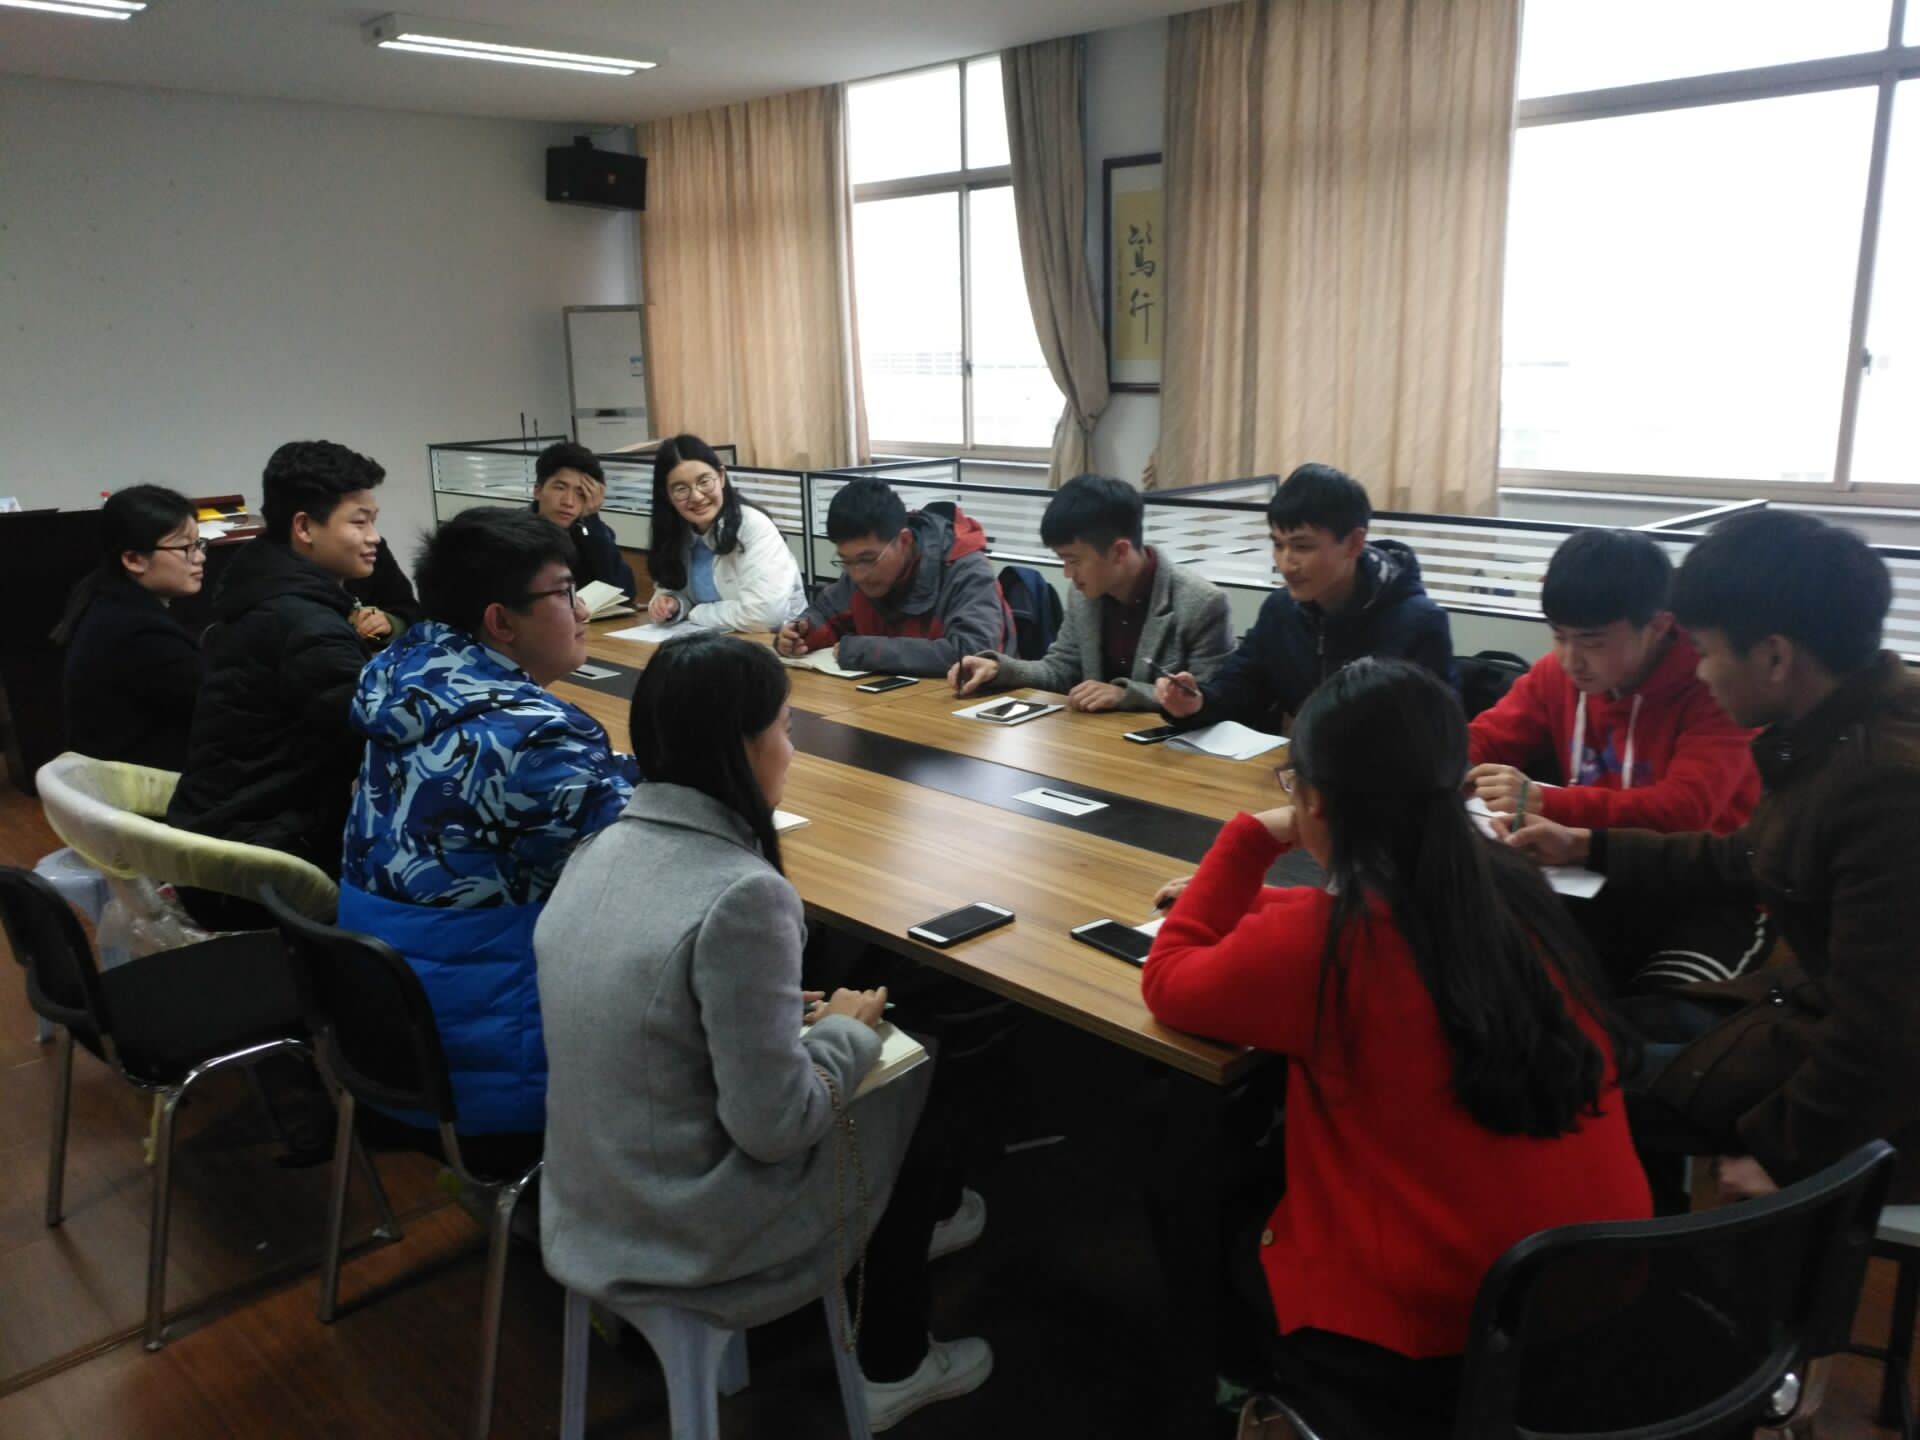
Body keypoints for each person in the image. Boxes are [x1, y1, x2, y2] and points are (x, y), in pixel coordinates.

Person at [1144, 658, 1649, 1435]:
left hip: (1434, 1340)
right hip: (1600, 1290)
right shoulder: (1510, 887)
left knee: (1188, 1173)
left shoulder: (1321, 948)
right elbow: (1395, 923)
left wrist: (1250, 838)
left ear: (1314, 798)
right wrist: (1270, 905)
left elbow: (1170, 978)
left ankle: (1249, 1386)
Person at [535, 632, 993, 1428]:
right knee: (913, 1060)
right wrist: (845, 1033)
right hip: (696, 1229)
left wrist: (776, 1012)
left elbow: (664, 1016)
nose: (793, 747)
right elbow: (777, 1126)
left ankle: (909, 1246)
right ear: (740, 747)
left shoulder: (599, 848)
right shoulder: (743, 893)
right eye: (784, 727)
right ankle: (894, 1358)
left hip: (587, 1196)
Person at [1505, 511, 1920, 1206]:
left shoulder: (1887, 785)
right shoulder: (1839, 727)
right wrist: (1587, 844)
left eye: (1703, 650)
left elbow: (1889, 1029)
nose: (1697, 670)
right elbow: (1748, 853)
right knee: (1583, 1033)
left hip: (1874, 1094)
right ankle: (1643, 1234)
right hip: (1814, 1016)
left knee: (1560, 1075)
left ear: (1776, 657)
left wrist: (1785, 1153)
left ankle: (1644, 1250)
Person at [338, 509, 640, 1138]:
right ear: (501, 622)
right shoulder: (533, 736)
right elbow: (644, 863)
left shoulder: (400, 678)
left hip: (387, 1034)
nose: (583, 610)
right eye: (565, 593)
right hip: (497, 1061)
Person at [166, 440, 384, 894]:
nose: (374, 537)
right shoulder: (303, 624)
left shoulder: (264, 589)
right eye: (359, 522)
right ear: (304, 527)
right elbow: (378, 729)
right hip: (258, 863)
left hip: (226, 833)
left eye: (373, 521)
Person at [1466, 528, 1758, 833]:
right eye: (1559, 636)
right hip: (1588, 851)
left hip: (1693, 858)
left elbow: (1684, 810)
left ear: (1658, 627)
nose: (1571, 660)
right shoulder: (1556, 673)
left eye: (1592, 642)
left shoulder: (1717, 688)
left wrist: (1547, 802)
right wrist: (1449, 769)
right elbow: (1487, 739)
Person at [1154, 463, 1455, 734]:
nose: (1286, 563)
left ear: (1354, 543)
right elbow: (1241, 687)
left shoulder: (1419, 624)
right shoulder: (1281, 609)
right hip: (1300, 769)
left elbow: (1437, 736)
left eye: (1302, 547)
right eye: (1278, 545)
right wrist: (1197, 702)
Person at [947, 473, 1232, 712]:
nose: (1068, 574)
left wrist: (1126, 695)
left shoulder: (1201, 604)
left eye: (1074, 560)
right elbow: (1061, 670)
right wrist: (1000, 669)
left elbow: (1208, 698)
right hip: (1094, 743)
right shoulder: (1084, 595)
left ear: (1119, 551)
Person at [776, 477, 1015, 677]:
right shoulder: (861, 570)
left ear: (904, 540)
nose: (858, 575)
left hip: (966, 705)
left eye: (868, 559)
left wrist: (866, 651)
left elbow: (974, 653)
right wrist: (801, 633)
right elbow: (825, 612)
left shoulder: (966, 570)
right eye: (846, 561)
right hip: (890, 702)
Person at [55, 484, 206, 771]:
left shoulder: (106, 598)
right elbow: (220, 704)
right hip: (149, 784)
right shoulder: (141, 633)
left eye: (199, 544)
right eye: (186, 548)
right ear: (133, 559)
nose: (200, 557)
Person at [644, 432, 805, 632]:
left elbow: (765, 615)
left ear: (721, 477)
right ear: (667, 495)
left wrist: (696, 612)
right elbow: (675, 588)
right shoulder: (677, 533)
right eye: (681, 489)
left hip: (772, 641)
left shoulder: (753, 526)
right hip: (709, 638)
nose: (696, 496)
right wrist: (673, 604)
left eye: (704, 482)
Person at [529, 440, 637, 597]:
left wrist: (591, 519)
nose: (568, 501)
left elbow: (625, 593)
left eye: (580, 493)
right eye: (560, 488)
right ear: (538, 491)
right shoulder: (512, 534)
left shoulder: (590, 532)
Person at [343, 537, 421, 650]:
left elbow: (410, 610)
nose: (373, 536)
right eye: (359, 526)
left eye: (371, 525)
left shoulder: (373, 549)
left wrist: (391, 623)